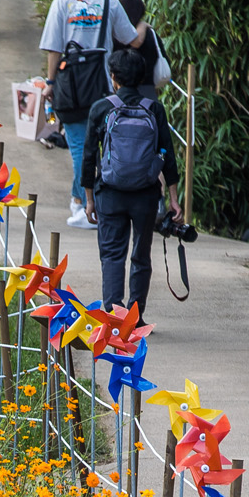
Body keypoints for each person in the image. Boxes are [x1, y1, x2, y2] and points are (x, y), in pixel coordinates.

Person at [38, 0, 144, 228]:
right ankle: (86, 202)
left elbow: (54, 47)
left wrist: (50, 84)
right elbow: (131, 40)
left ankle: (82, 204)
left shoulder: (62, 2)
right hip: (104, 88)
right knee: (101, 147)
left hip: (69, 88)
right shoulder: (111, 3)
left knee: (78, 148)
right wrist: (143, 26)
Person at [81, 48, 180, 317]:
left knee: (112, 254)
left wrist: (89, 200)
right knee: (141, 254)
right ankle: (135, 316)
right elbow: (167, 156)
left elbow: (89, 157)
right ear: (140, 78)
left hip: (110, 194)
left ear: (114, 78)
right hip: (145, 195)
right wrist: (173, 198)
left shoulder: (101, 108)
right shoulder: (154, 109)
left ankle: (114, 315)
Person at [115, 0, 172, 99]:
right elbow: (164, 59)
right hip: (148, 91)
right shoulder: (150, 34)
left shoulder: (116, 34)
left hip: (120, 94)